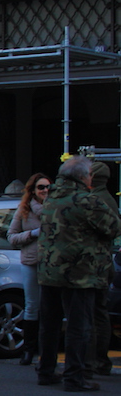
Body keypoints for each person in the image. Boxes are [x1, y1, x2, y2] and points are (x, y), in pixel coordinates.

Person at [37, 156, 121, 391]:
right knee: (79, 326)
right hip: (79, 273)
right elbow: (114, 227)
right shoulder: (86, 201)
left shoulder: (51, 198)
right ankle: (74, 377)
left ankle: (46, 371)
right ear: (84, 177)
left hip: (49, 271)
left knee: (50, 324)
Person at [7, 172, 51, 366]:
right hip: (32, 261)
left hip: (52, 264)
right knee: (32, 305)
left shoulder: (55, 209)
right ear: (33, 190)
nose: (45, 190)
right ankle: (28, 349)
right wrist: (33, 233)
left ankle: (46, 350)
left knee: (49, 307)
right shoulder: (24, 210)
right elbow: (11, 236)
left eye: (48, 187)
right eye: (41, 187)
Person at [86, 161, 118, 378]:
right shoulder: (106, 199)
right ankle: (99, 360)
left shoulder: (97, 200)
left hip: (96, 264)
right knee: (98, 312)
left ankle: (98, 360)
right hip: (101, 262)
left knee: (96, 313)